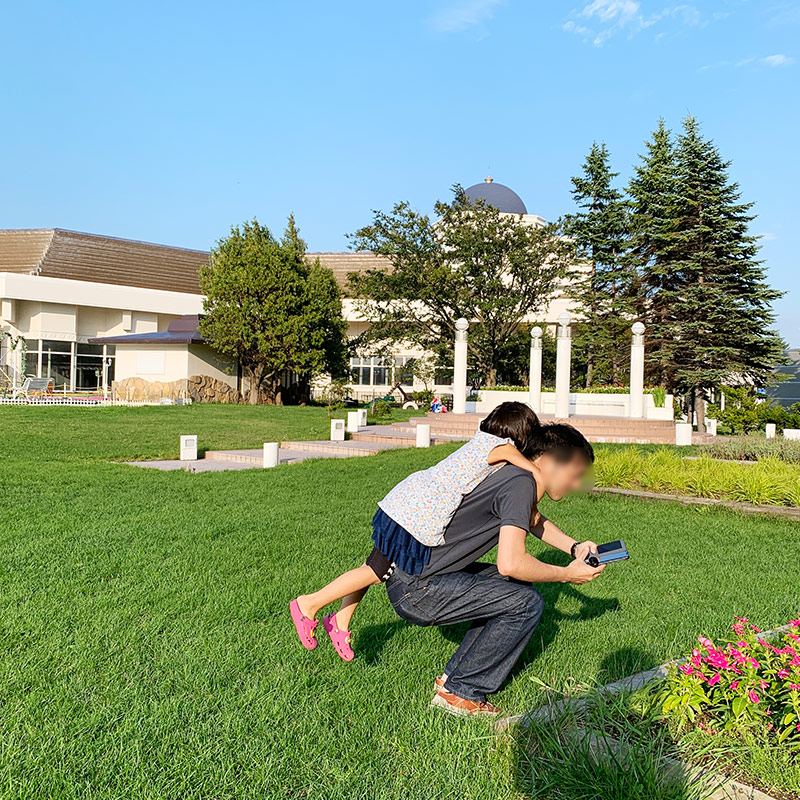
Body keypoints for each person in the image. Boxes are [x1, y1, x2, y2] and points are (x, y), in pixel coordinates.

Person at [370, 423, 604, 717]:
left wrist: (575, 547)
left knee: (515, 590)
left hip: (413, 577)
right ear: (548, 461)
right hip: (418, 589)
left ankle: (452, 681)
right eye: (576, 473)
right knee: (526, 603)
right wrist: (568, 574)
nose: (576, 484)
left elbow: (532, 520)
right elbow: (512, 562)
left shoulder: (514, 477)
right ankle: (461, 693)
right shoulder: (521, 484)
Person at [290, 402, 541, 661]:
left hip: (411, 501)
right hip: (418, 510)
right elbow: (528, 468)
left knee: (375, 564)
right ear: (519, 432)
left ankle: (340, 621)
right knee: (379, 571)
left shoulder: (482, 440)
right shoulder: (502, 447)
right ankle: (308, 604)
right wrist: (539, 480)